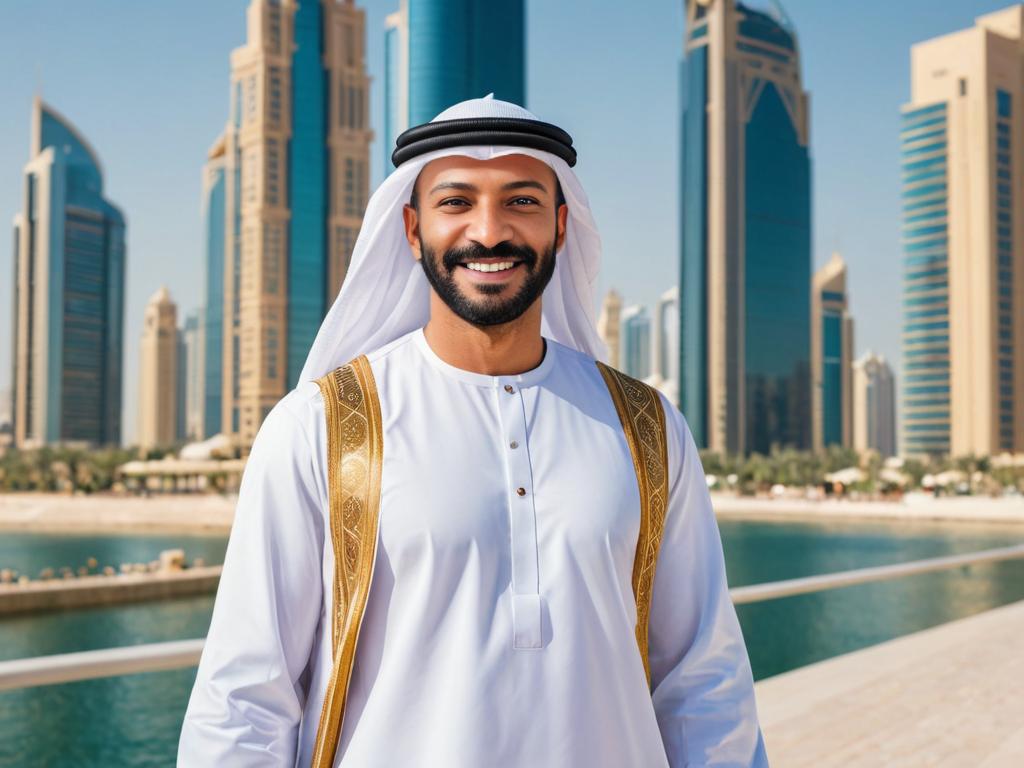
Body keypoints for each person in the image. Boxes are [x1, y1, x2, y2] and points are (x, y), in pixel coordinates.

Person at [178, 96, 768, 767]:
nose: (489, 232)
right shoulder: (323, 426)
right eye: (456, 202)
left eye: (521, 202)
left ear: (562, 224)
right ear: (410, 227)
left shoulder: (646, 427)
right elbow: (245, 699)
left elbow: (704, 681)